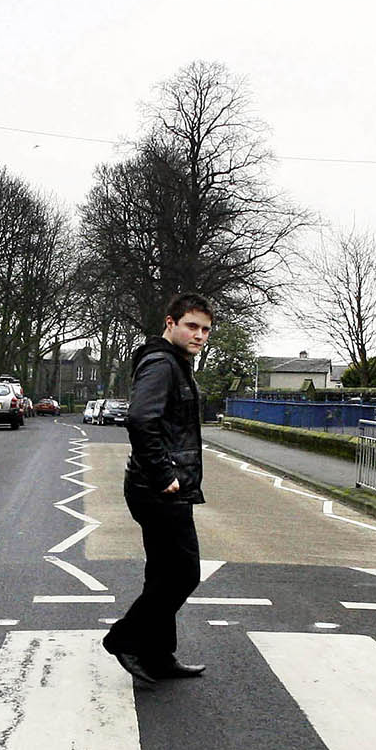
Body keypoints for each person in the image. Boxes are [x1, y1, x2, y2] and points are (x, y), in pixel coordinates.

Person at [103, 292, 215, 685]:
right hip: (160, 490)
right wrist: (165, 473)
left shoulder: (177, 363)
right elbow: (140, 419)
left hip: (160, 487)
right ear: (170, 323)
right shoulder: (161, 364)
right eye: (191, 326)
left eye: (205, 329)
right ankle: (125, 639)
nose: (199, 335)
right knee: (184, 573)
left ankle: (159, 654)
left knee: (162, 574)